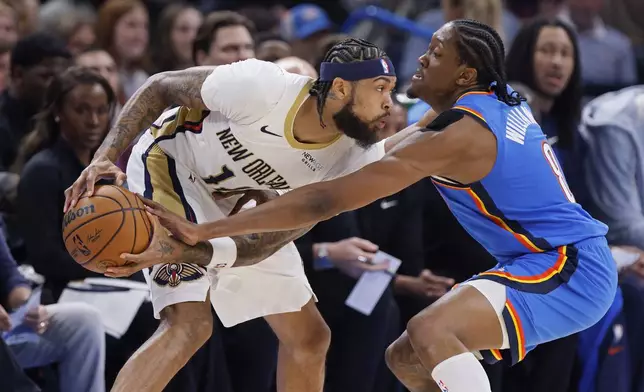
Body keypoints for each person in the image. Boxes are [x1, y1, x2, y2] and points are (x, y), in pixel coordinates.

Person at [142, 20, 618, 392]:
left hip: (568, 267)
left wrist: (206, 231)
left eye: (435, 54)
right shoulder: (486, 104)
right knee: (406, 357)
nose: (420, 59)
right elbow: (374, 159)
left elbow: (329, 197)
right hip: (541, 261)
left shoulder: (460, 135)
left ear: (465, 74)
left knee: (430, 329)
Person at [64, 38, 410, 392]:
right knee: (189, 325)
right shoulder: (262, 87)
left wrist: (193, 248)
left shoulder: (350, 161)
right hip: (170, 164)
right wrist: (104, 155)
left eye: (392, 90)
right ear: (339, 87)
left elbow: (266, 243)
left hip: (232, 205)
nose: (389, 103)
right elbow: (160, 86)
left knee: (309, 338)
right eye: (380, 88)